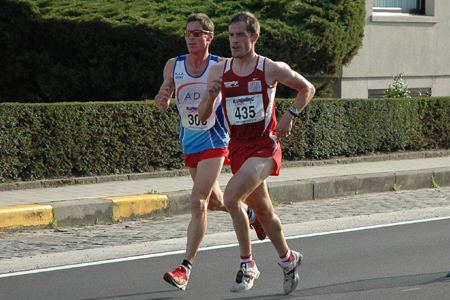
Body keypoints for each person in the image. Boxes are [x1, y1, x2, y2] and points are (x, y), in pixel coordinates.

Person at [198, 12, 315, 294]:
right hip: (238, 148)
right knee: (264, 213)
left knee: (230, 197)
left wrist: (290, 115)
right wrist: (212, 96)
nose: (234, 41)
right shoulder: (219, 71)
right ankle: (289, 260)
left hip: (265, 146)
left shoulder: (269, 68)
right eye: (231, 35)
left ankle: (247, 264)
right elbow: (202, 116)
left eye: (240, 35)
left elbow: (306, 88)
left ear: (254, 37)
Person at [155, 13, 266, 291]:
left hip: (215, 141)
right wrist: (163, 96)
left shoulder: (221, 65)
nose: (191, 38)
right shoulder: (174, 64)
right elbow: (166, 88)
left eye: (196, 33)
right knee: (216, 202)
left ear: (209, 37)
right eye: (187, 33)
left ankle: (184, 268)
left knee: (197, 202)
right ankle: (252, 216)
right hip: (189, 142)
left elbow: (244, 82)